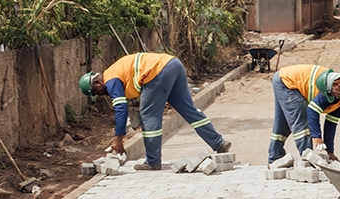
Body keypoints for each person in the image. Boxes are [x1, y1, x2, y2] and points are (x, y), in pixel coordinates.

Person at [79, 52, 231, 170]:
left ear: (98, 82)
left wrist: (118, 139)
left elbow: (120, 109)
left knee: (147, 115)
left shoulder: (111, 80)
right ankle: (218, 143)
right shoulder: (115, 72)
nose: (99, 95)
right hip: (173, 65)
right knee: (188, 110)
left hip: (157, 72)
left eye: (96, 92)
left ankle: (152, 161)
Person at [269, 64, 340, 164]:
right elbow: (312, 111)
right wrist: (317, 137)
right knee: (301, 124)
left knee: (282, 125)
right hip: (288, 82)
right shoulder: (331, 91)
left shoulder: (339, 98)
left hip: (283, 79)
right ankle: (308, 161)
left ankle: (274, 159)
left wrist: (329, 152)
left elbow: (330, 126)